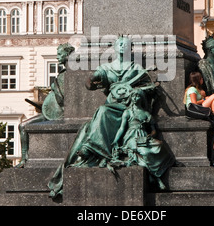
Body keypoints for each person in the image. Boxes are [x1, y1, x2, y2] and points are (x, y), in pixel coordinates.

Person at [48, 36, 156, 198]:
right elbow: (90, 84)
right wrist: (91, 79)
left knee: (102, 112)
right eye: (119, 44)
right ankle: (94, 148)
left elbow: (148, 89)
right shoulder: (106, 67)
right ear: (114, 47)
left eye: (125, 44)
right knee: (103, 111)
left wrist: (138, 92)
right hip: (112, 105)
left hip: (130, 106)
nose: (122, 46)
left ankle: (93, 148)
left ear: (129, 48)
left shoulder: (136, 68)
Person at [17, 43, 75, 167]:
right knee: (22, 126)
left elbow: (64, 99)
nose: (57, 57)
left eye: (60, 54)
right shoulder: (64, 73)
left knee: (23, 126)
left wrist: (54, 88)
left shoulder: (71, 74)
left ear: (68, 55)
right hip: (50, 114)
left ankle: (26, 160)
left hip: (58, 115)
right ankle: (24, 159)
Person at [111, 89, 175, 190]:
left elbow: (154, 130)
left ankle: (157, 172)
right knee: (145, 153)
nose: (135, 98)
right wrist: (115, 140)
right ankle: (156, 178)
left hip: (144, 137)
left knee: (160, 146)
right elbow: (122, 128)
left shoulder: (146, 114)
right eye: (133, 96)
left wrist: (150, 135)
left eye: (137, 96)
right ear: (130, 98)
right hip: (131, 137)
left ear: (141, 98)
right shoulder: (128, 112)